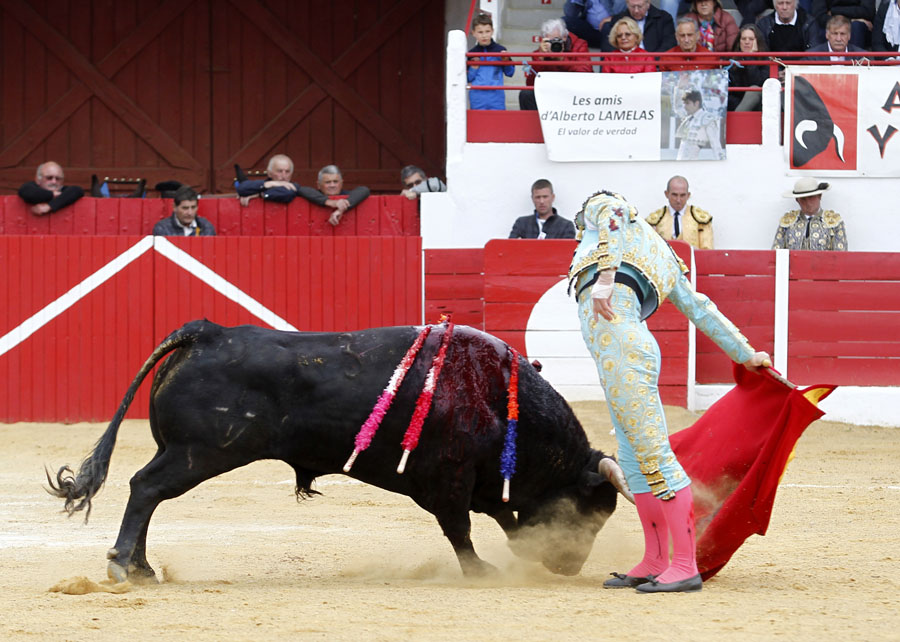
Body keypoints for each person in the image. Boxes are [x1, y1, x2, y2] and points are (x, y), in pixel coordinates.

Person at [569, 189, 769, 593]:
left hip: (622, 347)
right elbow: (701, 308)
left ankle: (684, 564)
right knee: (634, 458)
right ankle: (655, 560)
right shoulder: (662, 257)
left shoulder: (604, 208)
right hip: (623, 350)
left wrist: (606, 277)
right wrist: (746, 353)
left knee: (654, 457)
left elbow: (612, 210)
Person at [519, 18, 593, 111]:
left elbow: (586, 74)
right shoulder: (540, 52)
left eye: (557, 40)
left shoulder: (579, 45)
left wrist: (562, 59)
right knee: (525, 95)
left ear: (565, 37)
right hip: (550, 91)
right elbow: (530, 84)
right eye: (550, 41)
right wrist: (540, 59)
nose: (554, 44)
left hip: (573, 92)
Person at [772, 177, 847, 250]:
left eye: (811, 197)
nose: (808, 203)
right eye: (803, 199)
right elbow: (776, 255)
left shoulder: (834, 222)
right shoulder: (787, 222)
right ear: (797, 200)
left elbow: (840, 257)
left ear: (819, 196)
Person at [645, 176, 714, 248]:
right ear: (666, 194)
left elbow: (707, 251)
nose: (678, 200)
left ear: (688, 195)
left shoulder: (701, 220)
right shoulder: (655, 221)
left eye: (682, 195)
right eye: (674, 195)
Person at [467, 13, 514, 111]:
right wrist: (473, 68)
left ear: (492, 31)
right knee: (478, 123)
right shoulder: (471, 53)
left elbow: (510, 73)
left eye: (487, 31)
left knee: (498, 123)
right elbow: (468, 78)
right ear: (473, 33)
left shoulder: (500, 50)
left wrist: (506, 60)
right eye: (480, 32)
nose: (484, 35)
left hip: (496, 95)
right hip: (477, 96)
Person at [297, 165, 370, 227]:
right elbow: (302, 189)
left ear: (341, 183)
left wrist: (342, 208)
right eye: (328, 182)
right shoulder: (315, 194)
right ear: (319, 185)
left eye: (335, 182)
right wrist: (330, 202)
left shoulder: (348, 195)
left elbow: (364, 190)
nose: (332, 185)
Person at [508, 179, 577, 239]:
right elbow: (510, 248)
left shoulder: (566, 226)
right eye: (538, 197)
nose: (542, 201)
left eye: (545, 197)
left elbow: (567, 251)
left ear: (552, 197)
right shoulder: (521, 223)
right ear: (532, 198)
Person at [602, 0, 677, 53]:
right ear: (627, 4)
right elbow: (609, 46)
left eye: (640, 6)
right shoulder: (618, 20)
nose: (636, 10)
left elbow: (669, 45)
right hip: (626, 65)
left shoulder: (663, 18)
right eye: (632, 6)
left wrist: (649, 60)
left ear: (648, 4)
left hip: (655, 65)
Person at [727, 25, 771, 112]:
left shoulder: (766, 61)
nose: (746, 42)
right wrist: (741, 104)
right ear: (739, 42)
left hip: (759, 107)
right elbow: (728, 93)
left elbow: (755, 82)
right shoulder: (731, 61)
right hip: (737, 107)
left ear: (757, 42)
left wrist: (750, 57)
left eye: (751, 39)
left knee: (753, 89)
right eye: (743, 39)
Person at [18, 161, 84, 216]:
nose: (54, 182)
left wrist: (49, 206)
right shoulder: (30, 187)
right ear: (38, 180)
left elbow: (77, 190)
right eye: (49, 178)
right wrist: (52, 195)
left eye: (58, 178)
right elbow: (27, 191)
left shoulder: (63, 190)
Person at [675, 90, 725, 160]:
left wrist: (722, 164)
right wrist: (679, 88)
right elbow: (677, 108)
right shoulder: (688, 117)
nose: (684, 106)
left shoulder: (707, 119)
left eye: (687, 103)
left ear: (696, 103)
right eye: (684, 103)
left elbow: (716, 146)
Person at [235, 154, 301, 207]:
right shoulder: (265, 184)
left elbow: (286, 194)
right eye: (279, 171)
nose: (284, 175)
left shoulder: (293, 187)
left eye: (287, 171)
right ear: (269, 173)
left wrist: (259, 195)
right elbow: (242, 188)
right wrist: (268, 184)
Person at [756, 0, 824, 51]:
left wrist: (791, 69)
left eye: (788, 3)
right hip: (773, 68)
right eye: (780, 3)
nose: (784, 7)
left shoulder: (809, 23)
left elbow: (813, 52)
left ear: (795, 4)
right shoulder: (764, 24)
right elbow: (763, 55)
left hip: (801, 68)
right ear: (775, 5)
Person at [810, 0, 874, 49]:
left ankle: (855, 62)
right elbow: (819, 16)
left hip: (859, 28)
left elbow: (867, 11)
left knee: (856, 26)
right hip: (828, 24)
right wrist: (851, 20)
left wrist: (833, 11)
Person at [563, 0, 628, 49]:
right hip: (591, 32)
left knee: (607, 25)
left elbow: (621, 12)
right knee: (565, 22)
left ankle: (604, 64)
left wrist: (612, 18)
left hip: (611, 34)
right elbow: (570, 14)